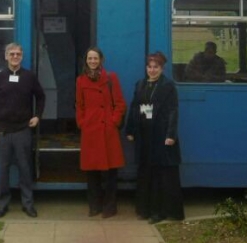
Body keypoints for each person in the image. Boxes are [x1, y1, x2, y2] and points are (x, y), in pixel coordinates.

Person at [0, 42, 46, 218]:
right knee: (3, 171)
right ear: (6, 56)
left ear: (22, 57)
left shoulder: (29, 77)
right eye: (11, 54)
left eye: (18, 54)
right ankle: (2, 204)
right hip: (2, 132)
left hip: (22, 131)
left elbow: (41, 97)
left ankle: (27, 204)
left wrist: (37, 116)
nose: (14, 57)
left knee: (25, 169)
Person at [125, 51, 185, 223]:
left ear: (162, 68)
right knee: (146, 173)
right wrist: (130, 130)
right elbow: (134, 107)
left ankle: (160, 212)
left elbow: (173, 110)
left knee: (161, 175)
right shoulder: (140, 84)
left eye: (156, 67)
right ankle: (145, 209)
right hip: (144, 136)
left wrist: (171, 135)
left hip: (161, 136)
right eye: (150, 67)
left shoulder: (168, 86)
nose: (152, 70)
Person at [75, 47, 126, 218]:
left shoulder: (111, 78)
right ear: (86, 60)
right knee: (92, 172)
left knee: (111, 172)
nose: (92, 61)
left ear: (101, 60)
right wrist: (82, 122)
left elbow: (120, 103)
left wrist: (113, 121)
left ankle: (110, 207)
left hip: (107, 131)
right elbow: (79, 105)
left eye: (95, 58)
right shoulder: (81, 80)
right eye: (90, 58)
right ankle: (94, 206)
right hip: (90, 130)